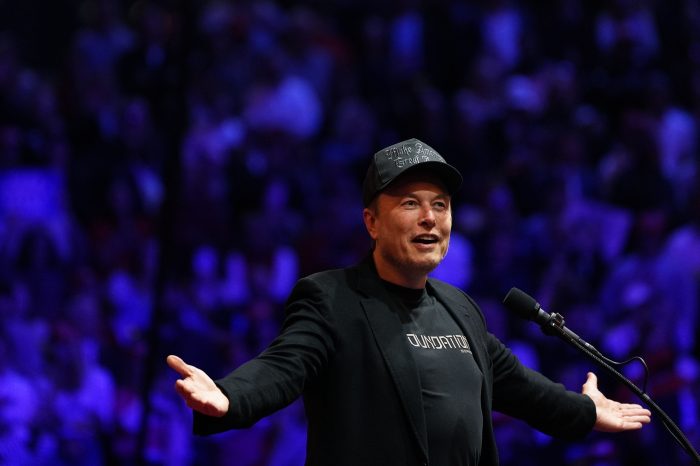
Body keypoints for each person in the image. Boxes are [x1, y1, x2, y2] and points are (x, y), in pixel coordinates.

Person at [167, 138, 651, 466]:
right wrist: (231, 397)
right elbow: (284, 365)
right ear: (371, 222)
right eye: (409, 203)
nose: (429, 218)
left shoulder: (461, 309)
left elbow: (523, 389)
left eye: (440, 204)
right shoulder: (333, 299)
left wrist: (585, 411)